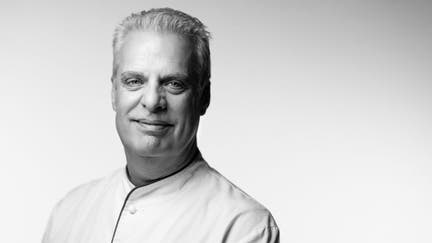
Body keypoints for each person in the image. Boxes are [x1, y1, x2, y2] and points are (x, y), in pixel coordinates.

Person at [42, 8, 279, 243]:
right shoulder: (69, 211)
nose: (152, 101)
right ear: (114, 92)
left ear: (203, 97)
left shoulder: (244, 227)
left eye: (174, 83)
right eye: (134, 81)